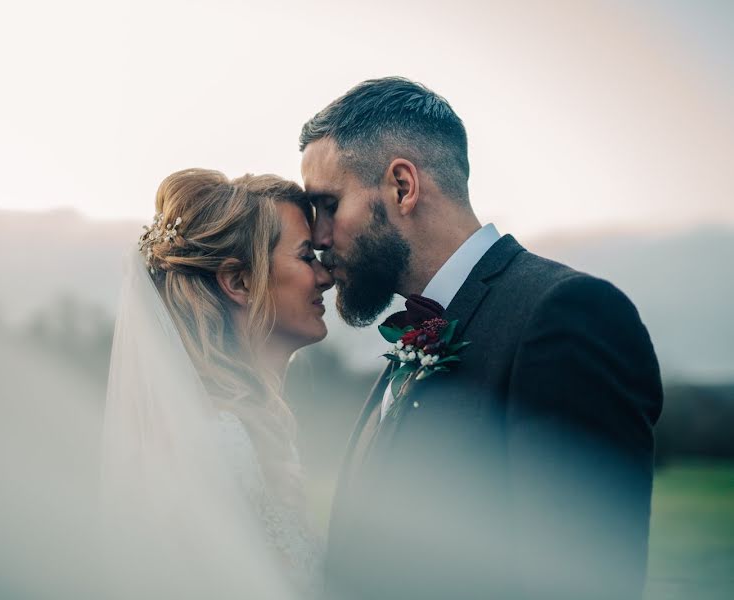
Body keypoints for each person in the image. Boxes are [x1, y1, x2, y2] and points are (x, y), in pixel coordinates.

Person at [299, 77, 663, 600]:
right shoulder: (413, 338)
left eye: (328, 204)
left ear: (403, 186)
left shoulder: (565, 316)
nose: (319, 237)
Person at [100, 169, 333, 599]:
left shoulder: (246, 429)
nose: (326, 276)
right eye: (305, 257)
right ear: (239, 282)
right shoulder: (219, 440)